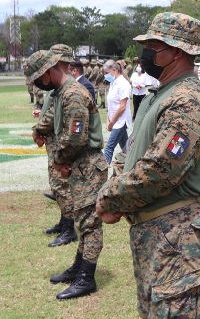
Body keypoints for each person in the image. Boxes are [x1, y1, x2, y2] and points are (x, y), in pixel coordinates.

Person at [96, 12, 200, 318]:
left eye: (152, 46)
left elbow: (159, 169)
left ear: (176, 51)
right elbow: (133, 152)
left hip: (176, 234)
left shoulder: (188, 100)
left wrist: (110, 198)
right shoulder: (157, 96)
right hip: (152, 230)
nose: (145, 54)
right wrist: (119, 193)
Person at [25, 48, 107, 300]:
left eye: (39, 77)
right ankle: (79, 267)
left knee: (90, 223)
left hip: (87, 166)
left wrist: (59, 160)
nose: (38, 83)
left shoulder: (73, 94)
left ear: (49, 72)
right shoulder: (62, 93)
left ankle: (86, 278)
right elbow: (55, 122)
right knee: (82, 221)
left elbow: (75, 137)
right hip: (78, 165)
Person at [36, 45, 79, 248]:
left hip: (60, 143)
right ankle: (64, 223)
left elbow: (54, 115)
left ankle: (69, 230)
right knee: (58, 187)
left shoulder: (67, 87)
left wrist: (39, 129)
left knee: (62, 187)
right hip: (53, 141)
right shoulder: (56, 86)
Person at [102, 59, 132, 164]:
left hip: (121, 121)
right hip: (115, 121)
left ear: (114, 70)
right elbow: (111, 105)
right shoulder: (113, 83)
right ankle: (132, 166)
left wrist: (112, 123)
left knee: (109, 148)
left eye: (106, 73)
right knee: (127, 149)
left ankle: (101, 175)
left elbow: (122, 107)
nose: (105, 76)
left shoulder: (123, 84)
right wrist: (108, 120)